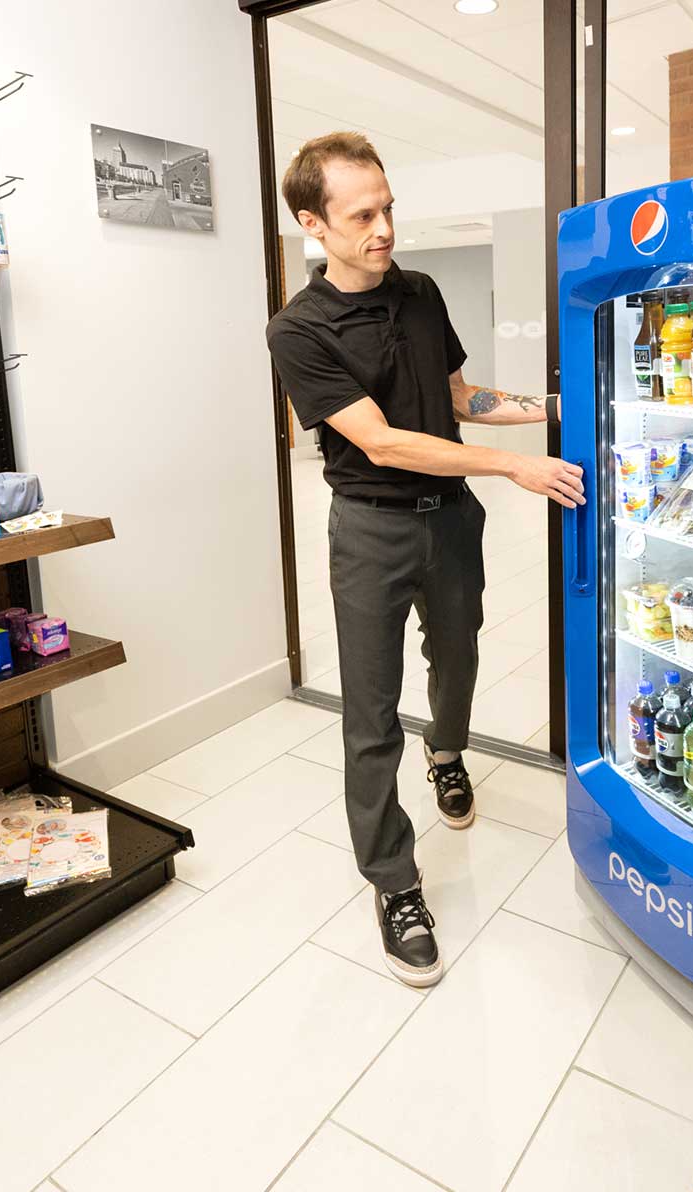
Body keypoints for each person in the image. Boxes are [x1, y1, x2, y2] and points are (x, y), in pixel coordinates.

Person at [265, 131, 584, 988]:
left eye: (389, 207)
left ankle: (446, 753)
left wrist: (556, 408)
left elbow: (455, 401)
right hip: (370, 530)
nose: (384, 227)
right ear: (314, 223)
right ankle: (395, 884)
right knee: (370, 712)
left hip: (450, 523)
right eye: (363, 214)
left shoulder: (422, 292)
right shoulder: (297, 330)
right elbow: (382, 442)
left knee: (460, 656)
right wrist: (514, 465)